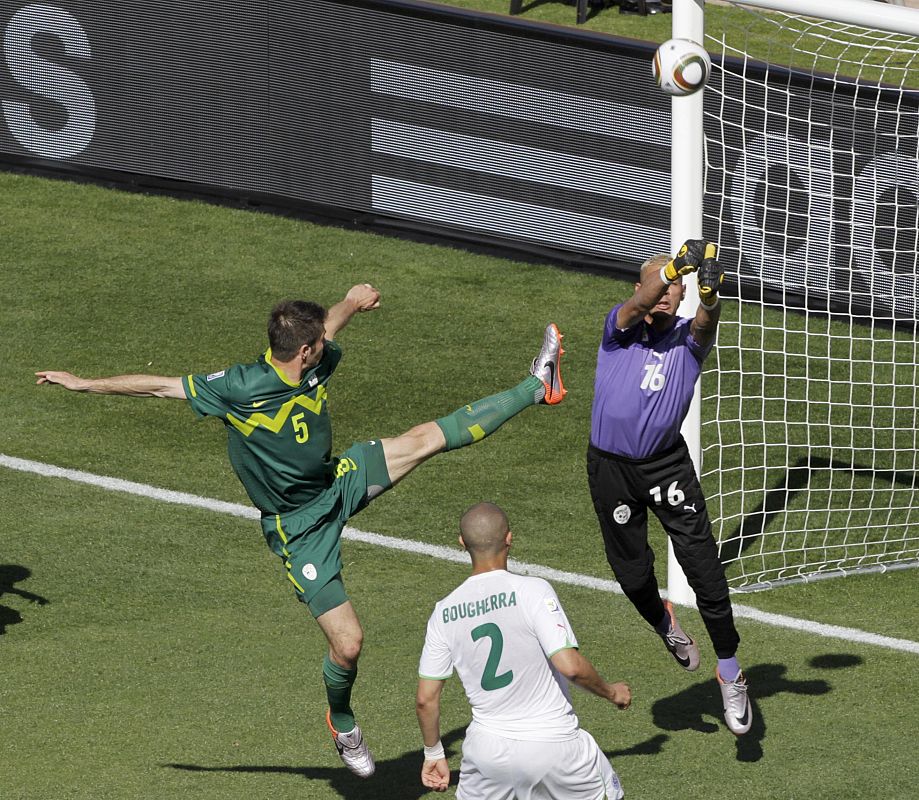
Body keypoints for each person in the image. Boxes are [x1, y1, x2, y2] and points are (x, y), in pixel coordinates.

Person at [36, 283, 568, 777]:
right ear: (305, 350)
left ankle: (535, 384)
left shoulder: (311, 358)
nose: (327, 343)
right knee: (349, 643)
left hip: (337, 482)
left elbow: (329, 326)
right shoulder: (240, 387)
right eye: (320, 342)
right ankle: (342, 722)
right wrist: (84, 383)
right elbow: (156, 386)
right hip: (299, 530)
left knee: (428, 438)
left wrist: (350, 303)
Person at [586, 240, 753, 737]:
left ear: (681, 298)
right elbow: (638, 306)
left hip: (665, 468)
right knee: (631, 571)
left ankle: (729, 671)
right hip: (610, 468)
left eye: (674, 288)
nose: (664, 295)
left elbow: (707, 322)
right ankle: (665, 625)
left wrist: (710, 296)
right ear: (639, 288)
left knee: (703, 568)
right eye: (657, 285)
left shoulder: (688, 338)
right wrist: (674, 266)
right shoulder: (618, 331)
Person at [416, 502, 631, 798]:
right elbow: (570, 666)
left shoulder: (443, 612)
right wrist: (612, 692)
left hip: (486, 753)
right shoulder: (533, 591)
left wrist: (433, 752)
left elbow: (426, 699)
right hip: (554, 747)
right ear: (509, 538)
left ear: (462, 543)